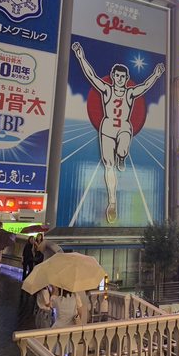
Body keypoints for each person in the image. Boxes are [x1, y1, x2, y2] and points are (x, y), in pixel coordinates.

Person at [72, 41, 165, 223]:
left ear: (126, 78)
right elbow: (91, 76)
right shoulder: (106, 90)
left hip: (123, 127)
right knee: (109, 165)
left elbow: (145, 86)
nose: (120, 79)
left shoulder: (129, 93)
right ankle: (112, 202)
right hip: (107, 128)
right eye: (117, 76)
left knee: (122, 149)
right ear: (113, 76)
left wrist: (156, 74)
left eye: (123, 76)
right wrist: (80, 56)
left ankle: (122, 156)